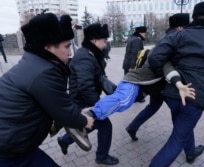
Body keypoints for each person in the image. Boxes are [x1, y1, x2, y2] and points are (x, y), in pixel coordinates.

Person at [0, 13, 94, 167]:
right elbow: (64, 111)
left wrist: (76, 112)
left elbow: (56, 101)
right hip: (9, 151)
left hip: (16, 144)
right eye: (67, 46)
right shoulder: (44, 72)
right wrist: (85, 120)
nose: (70, 52)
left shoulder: (35, 62)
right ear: (48, 47)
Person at [148, 2, 204, 166]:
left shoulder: (180, 35)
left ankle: (190, 152)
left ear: (194, 16)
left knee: (181, 125)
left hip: (172, 94)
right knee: (177, 139)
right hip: (196, 97)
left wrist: (165, 77)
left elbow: (155, 57)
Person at [57, 23, 120, 165]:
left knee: (89, 125)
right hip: (82, 101)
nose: (105, 44)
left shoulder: (92, 53)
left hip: (85, 99)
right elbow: (85, 86)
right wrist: (99, 107)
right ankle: (102, 157)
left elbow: (98, 75)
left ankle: (64, 140)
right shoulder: (84, 57)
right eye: (104, 41)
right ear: (94, 40)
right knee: (105, 126)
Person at [125, 13, 190, 141]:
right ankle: (184, 145)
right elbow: (159, 60)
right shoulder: (175, 38)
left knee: (153, 107)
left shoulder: (165, 37)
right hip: (164, 82)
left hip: (157, 82)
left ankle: (133, 126)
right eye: (186, 27)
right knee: (176, 109)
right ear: (180, 28)